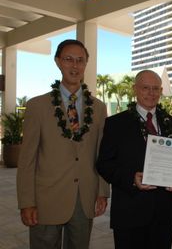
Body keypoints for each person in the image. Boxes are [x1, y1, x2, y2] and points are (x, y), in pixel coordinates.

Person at [16, 39, 110, 249]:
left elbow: (100, 153)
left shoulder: (99, 108)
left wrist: (102, 192)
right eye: (68, 59)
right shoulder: (37, 106)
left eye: (80, 60)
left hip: (84, 199)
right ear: (58, 62)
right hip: (46, 199)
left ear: (86, 64)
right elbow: (27, 160)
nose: (74, 65)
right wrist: (26, 202)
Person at [96, 70, 172, 249]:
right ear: (135, 89)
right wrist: (131, 178)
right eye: (145, 88)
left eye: (155, 88)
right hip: (129, 212)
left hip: (164, 213)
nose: (151, 93)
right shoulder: (116, 123)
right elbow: (104, 164)